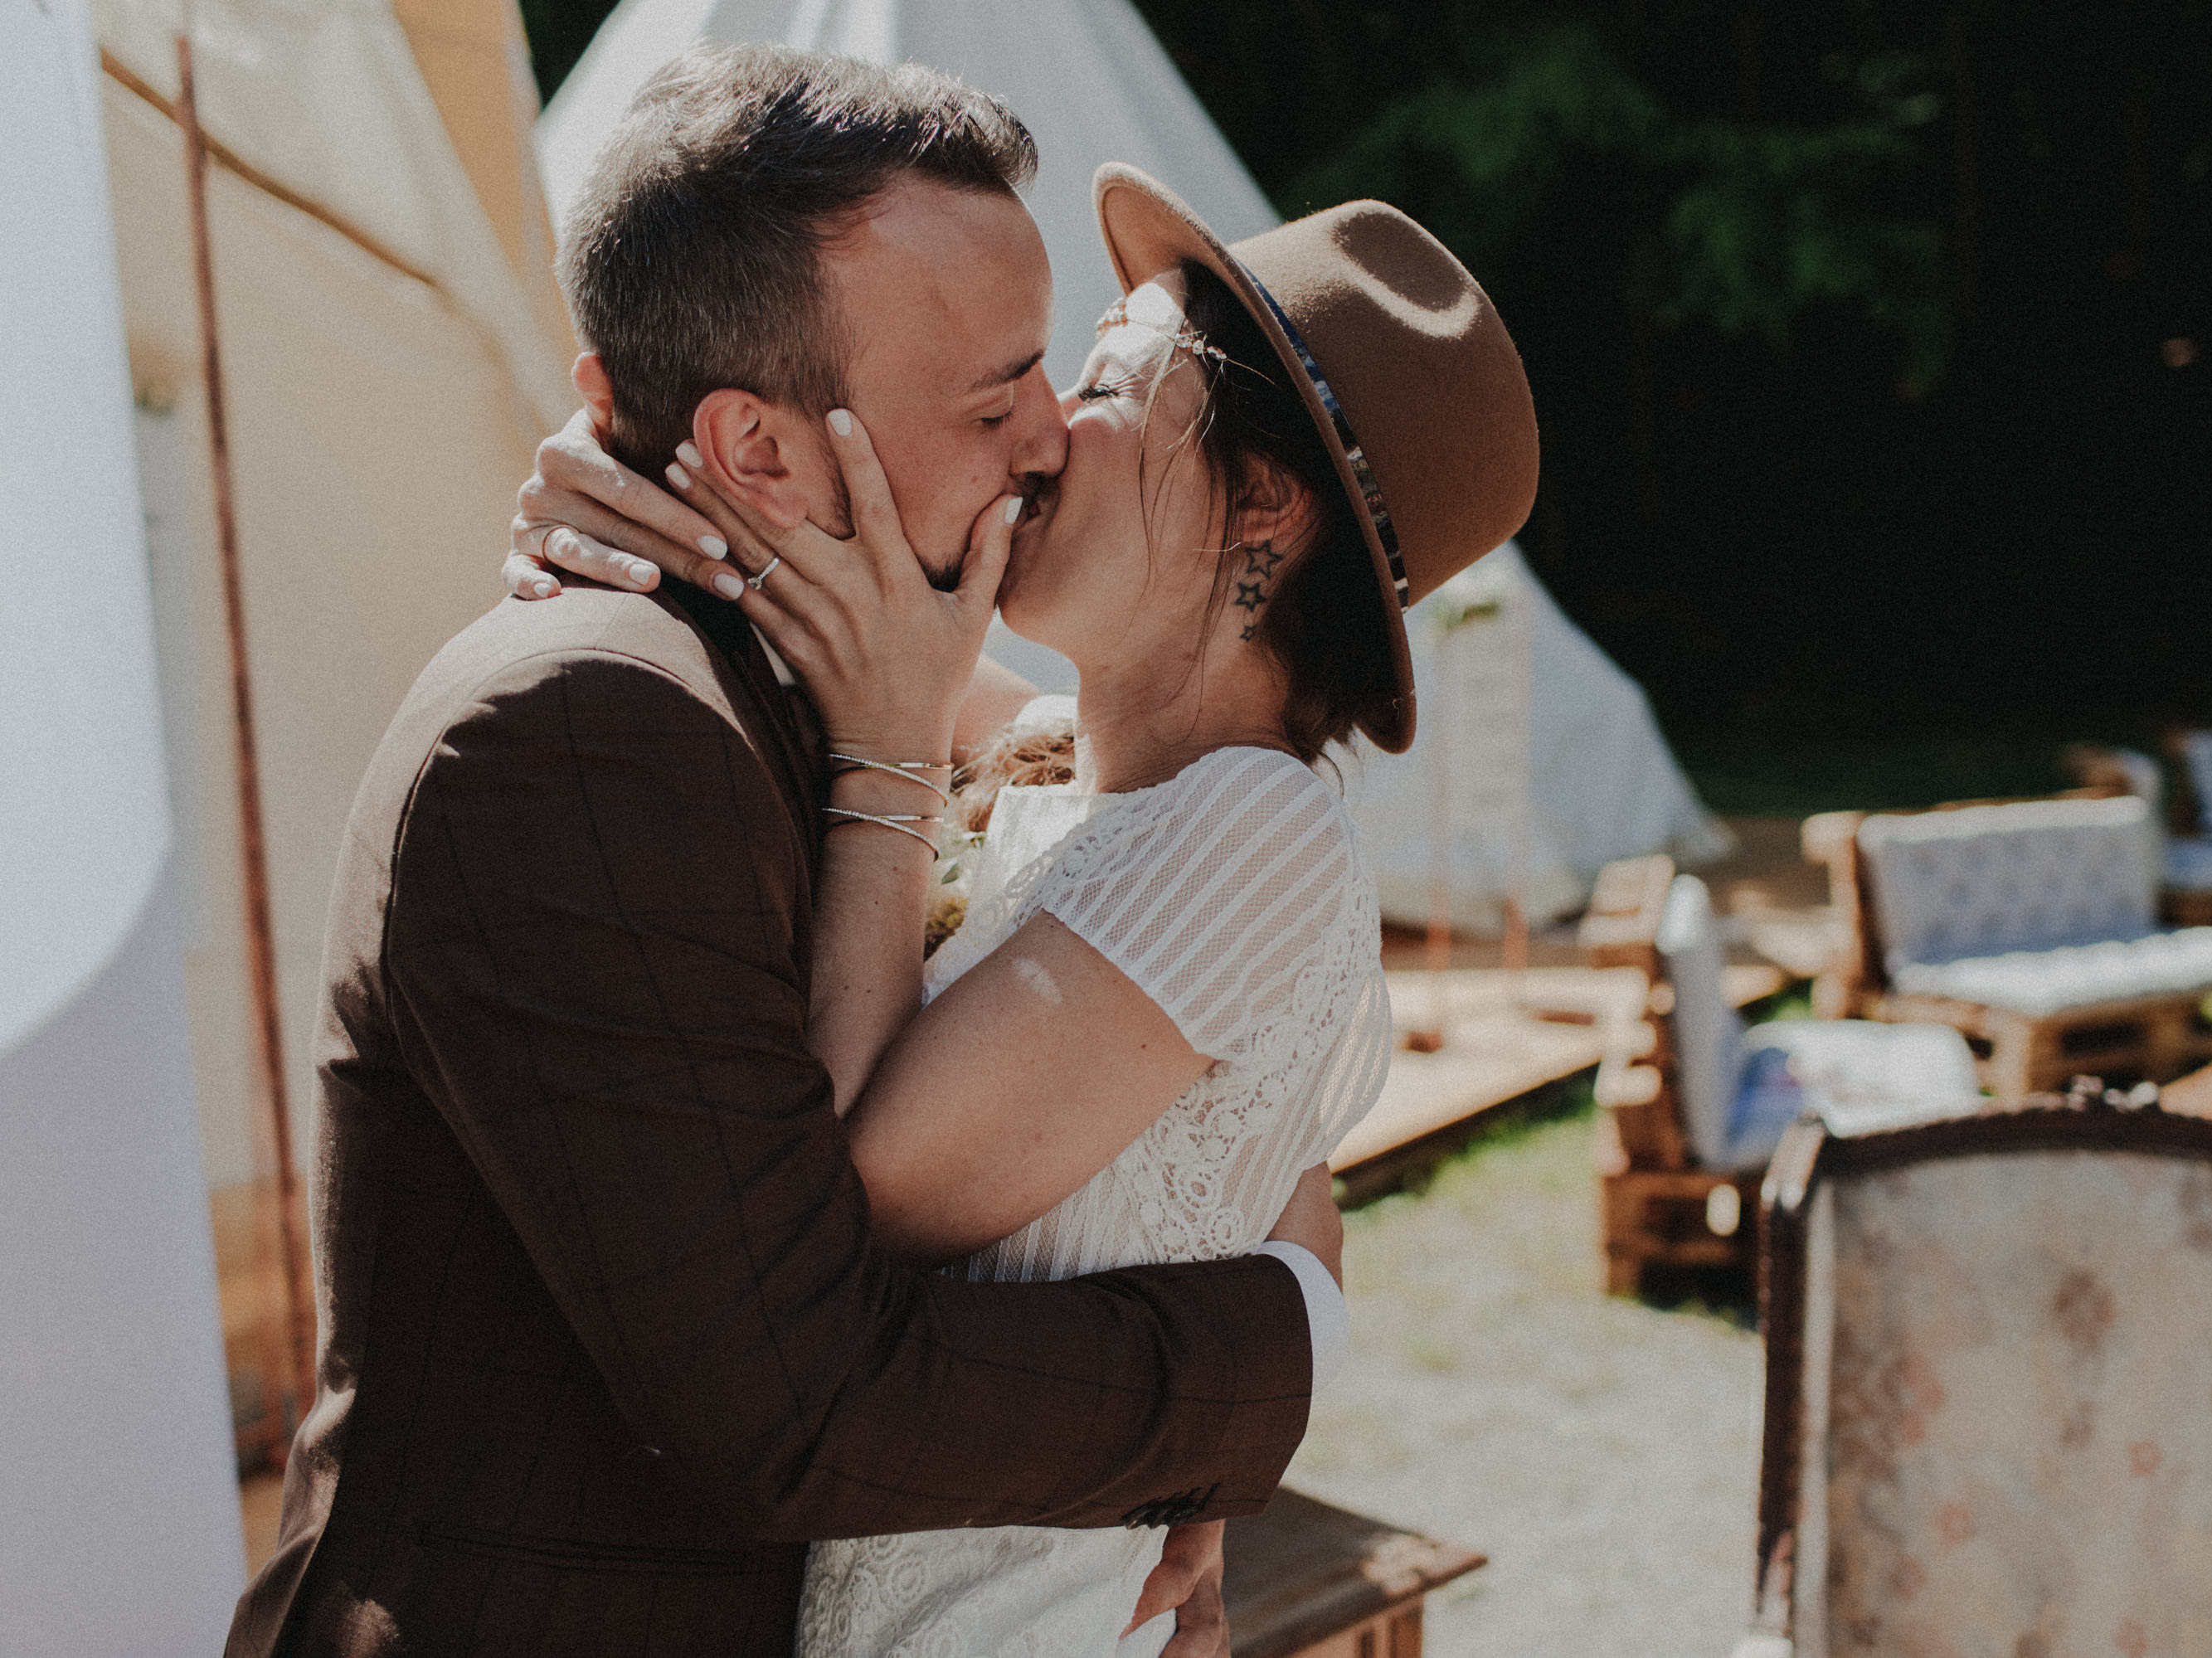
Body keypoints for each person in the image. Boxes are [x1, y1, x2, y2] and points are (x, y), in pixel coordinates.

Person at [225, 50, 1363, 1658]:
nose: (1046, 441)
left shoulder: (867, 670)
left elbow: (1206, 1035)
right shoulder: (587, 729)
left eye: (1061, 379)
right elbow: (801, 1393)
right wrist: (1268, 1366)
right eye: (996, 398)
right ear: (760, 455)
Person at [504, 78, 1539, 1658]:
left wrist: (883, 751)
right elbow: (1282, 1195)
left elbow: (848, 1194)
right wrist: (619, 469)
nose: (1045, 423)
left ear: (1262, 500)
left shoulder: (1248, 830)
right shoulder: (1065, 758)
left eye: (1114, 378)